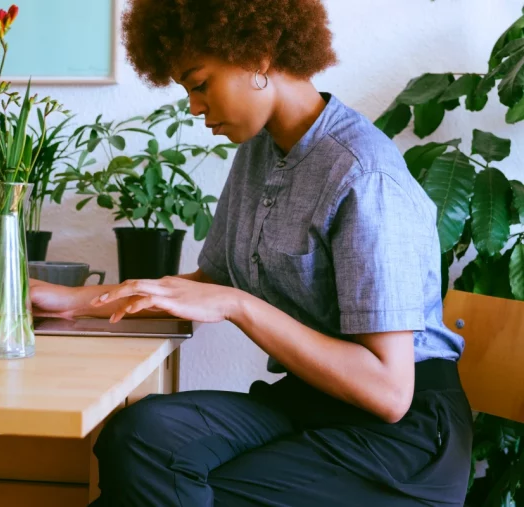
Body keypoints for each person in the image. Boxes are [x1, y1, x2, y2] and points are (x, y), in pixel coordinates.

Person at [30, 0, 473, 505]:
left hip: (403, 441)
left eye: (199, 84)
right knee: (138, 436)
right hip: (309, 404)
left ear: (258, 56)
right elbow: (204, 287)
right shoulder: (258, 154)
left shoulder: (363, 174)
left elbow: (389, 393)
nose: (194, 107)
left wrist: (238, 305)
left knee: (164, 483)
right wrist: (73, 302)